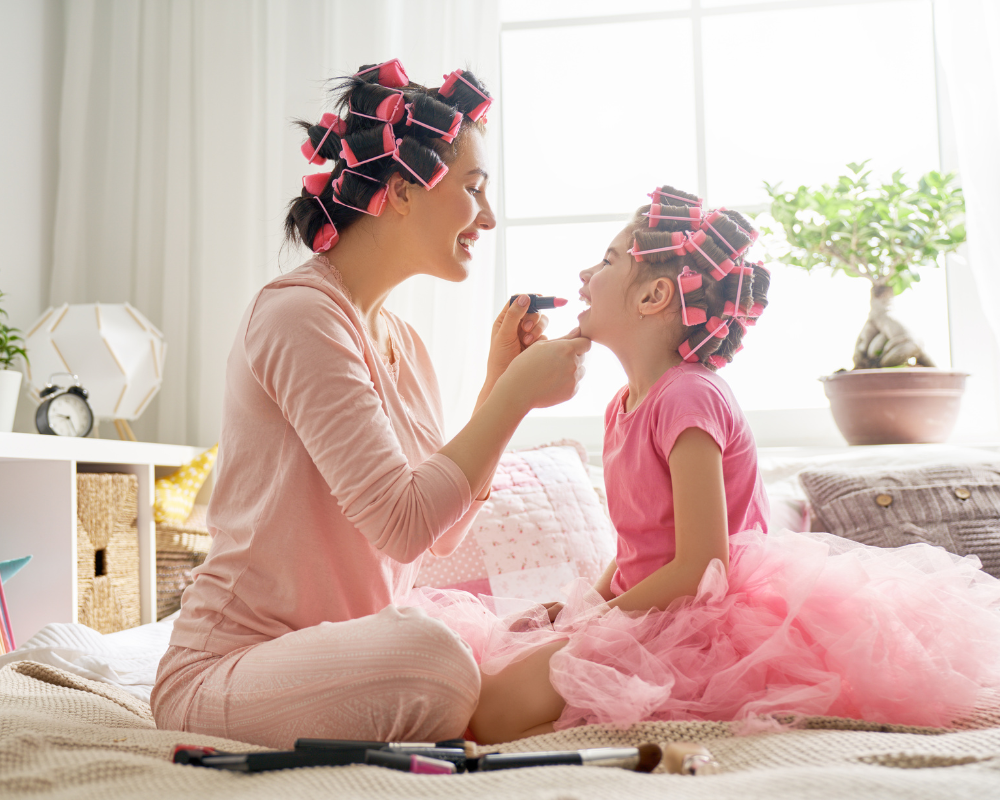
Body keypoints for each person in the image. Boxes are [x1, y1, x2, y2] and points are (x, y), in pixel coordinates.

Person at [414, 186, 1000, 745]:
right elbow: (641, 547)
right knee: (473, 681)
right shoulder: (624, 406)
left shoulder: (689, 397)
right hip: (650, 608)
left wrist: (592, 627)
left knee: (490, 711)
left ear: (653, 297)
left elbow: (701, 564)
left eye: (608, 261)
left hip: (703, 617)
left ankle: (599, 728)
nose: (585, 276)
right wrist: (577, 609)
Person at [150, 59, 590, 749]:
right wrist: (512, 396)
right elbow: (402, 522)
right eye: (473, 189)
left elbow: (440, 533)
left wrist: (496, 389)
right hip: (226, 670)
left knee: (541, 649)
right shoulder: (298, 316)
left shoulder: (403, 342)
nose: (490, 217)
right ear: (402, 191)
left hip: (343, 655)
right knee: (435, 662)